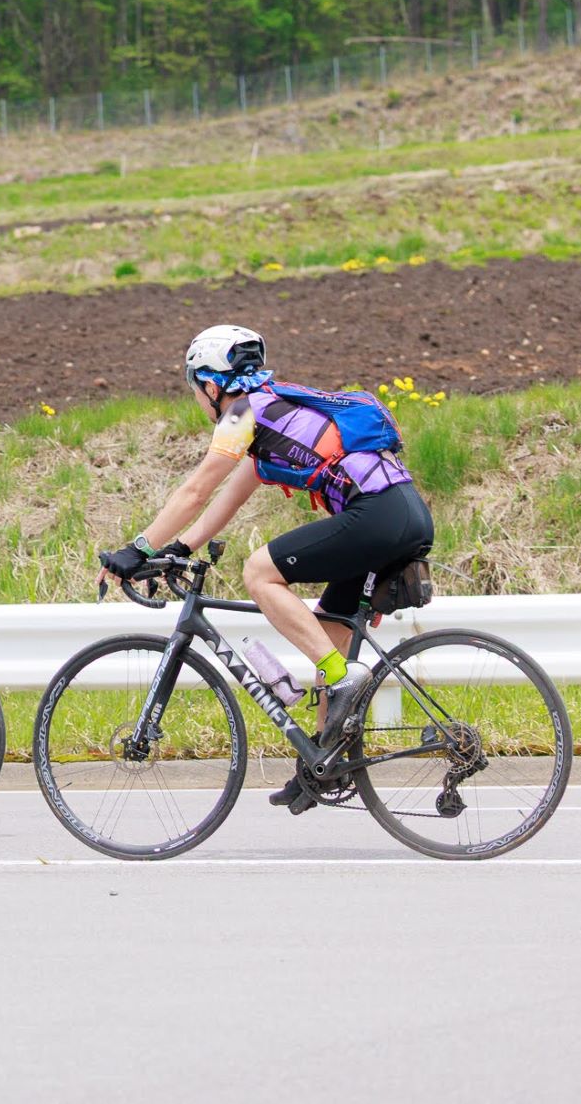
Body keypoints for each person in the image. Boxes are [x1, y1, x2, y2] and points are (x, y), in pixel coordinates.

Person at [98, 325, 433, 810]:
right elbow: (224, 502)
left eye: (195, 389)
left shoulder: (242, 413)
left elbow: (195, 490)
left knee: (260, 572)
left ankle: (341, 680)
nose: (198, 399)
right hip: (402, 512)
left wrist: (138, 549)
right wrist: (180, 548)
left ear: (211, 386)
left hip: (378, 515)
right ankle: (323, 765)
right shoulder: (275, 414)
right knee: (327, 636)